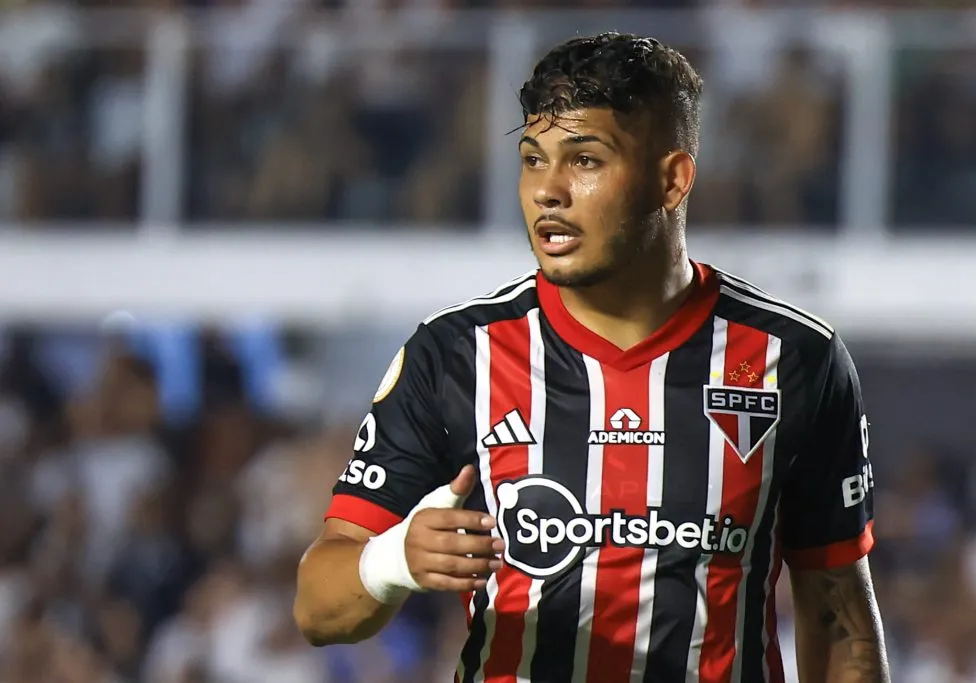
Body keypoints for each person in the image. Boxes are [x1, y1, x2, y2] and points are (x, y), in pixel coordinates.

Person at [294, 32, 890, 683]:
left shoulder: (796, 358)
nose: (547, 189)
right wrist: (393, 562)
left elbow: (837, 617)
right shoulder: (455, 355)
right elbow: (317, 607)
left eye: (584, 159)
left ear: (673, 178)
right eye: (531, 157)